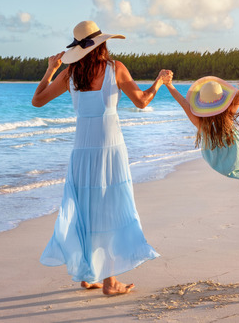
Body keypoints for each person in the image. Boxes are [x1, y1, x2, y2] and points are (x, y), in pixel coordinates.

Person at [32, 20, 172, 296]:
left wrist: (50, 69)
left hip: (82, 150)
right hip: (110, 149)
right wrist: (160, 81)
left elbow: (37, 100)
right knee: (110, 210)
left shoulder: (70, 74)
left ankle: (88, 275)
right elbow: (142, 101)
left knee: (86, 211)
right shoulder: (115, 69)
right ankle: (110, 282)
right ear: (102, 44)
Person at [164, 74, 239, 191]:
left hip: (214, 158)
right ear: (223, 100)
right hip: (234, 154)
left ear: (201, 103)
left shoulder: (201, 123)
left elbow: (182, 102)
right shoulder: (228, 116)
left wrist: (169, 84)